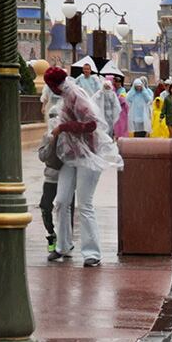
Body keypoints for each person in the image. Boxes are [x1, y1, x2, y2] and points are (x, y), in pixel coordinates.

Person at [43, 64, 120, 268]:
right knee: (61, 201)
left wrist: (63, 128)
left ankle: (92, 253)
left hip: (87, 155)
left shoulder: (76, 95)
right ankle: (63, 245)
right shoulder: (65, 96)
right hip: (71, 155)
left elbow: (92, 123)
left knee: (84, 203)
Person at [37, 72, 64, 260]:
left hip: (66, 176)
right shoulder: (47, 137)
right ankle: (51, 235)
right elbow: (42, 156)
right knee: (45, 206)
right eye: (52, 116)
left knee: (65, 207)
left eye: (57, 116)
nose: (54, 119)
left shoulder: (67, 135)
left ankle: (64, 242)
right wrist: (51, 142)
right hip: (50, 177)